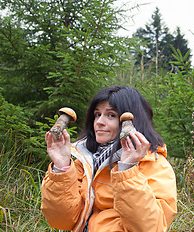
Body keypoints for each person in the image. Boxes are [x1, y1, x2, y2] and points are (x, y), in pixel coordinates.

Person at [41, 85, 177, 232]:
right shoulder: (84, 161)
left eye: (111, 115)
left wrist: (127, 170)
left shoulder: (154, 165)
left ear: (133, 121)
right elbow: (61, 220)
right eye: (97, 114)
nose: (99, 122)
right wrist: (61, 167)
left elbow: (149, 228)